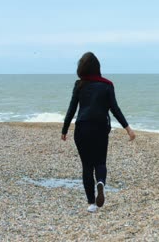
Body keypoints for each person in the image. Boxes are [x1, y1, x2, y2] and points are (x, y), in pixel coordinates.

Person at [61, 52, 136, 213]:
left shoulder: (79, 85)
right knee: (100, 162)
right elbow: (115, 109)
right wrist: (128, 129)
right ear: (98, 68)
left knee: (87, 166)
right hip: (101, 129)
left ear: (81, 68)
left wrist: (64, 129)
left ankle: (91, 204)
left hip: (82, 129)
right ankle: (100, 182)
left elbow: (72, 108)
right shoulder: (107, 85)